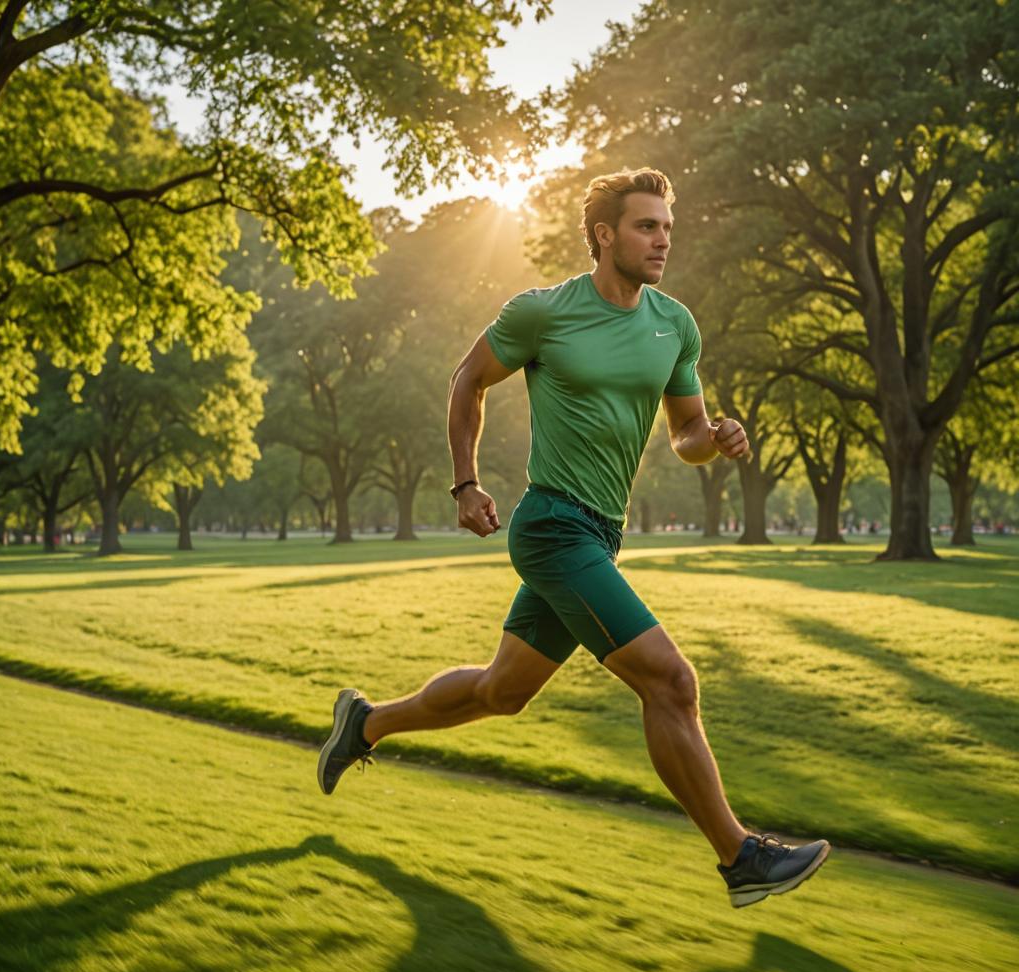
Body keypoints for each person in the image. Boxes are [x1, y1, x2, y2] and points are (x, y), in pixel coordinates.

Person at [318, 167, 829, 908]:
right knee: (671, 681)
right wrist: (465, 483)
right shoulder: (543, 312)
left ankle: (366, 723)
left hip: (600, 534)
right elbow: (468, 379)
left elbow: (684, 432)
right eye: (646, 227)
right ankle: (740, 857)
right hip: (554, 526)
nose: (662, 240)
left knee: (502, 692)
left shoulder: (674, 324)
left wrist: (713, 438)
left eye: (666, 228)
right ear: (603, 234)